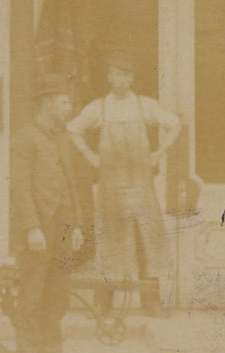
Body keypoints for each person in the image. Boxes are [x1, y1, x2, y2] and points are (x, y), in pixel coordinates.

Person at [68, 50, 180, 315]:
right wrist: (91, 157)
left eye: (126, 75)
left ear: (132, 78)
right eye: (117, 74)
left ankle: (151, 302)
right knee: (110, 242)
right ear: (109, 77)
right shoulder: (99, 107)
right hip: (111, 188)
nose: (121, 80)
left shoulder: (145, 105)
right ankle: (104, 303)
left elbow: (175, 125)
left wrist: (158, 153)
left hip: (141, 187)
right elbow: (73, 129)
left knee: (146, 240)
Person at [12, 74, 90, 353]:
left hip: (64, 226)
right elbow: (19, 188)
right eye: (64, 102)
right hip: (39, 227)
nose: (69, 108)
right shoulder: (24, 139)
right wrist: (31, 228)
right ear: (47, 104)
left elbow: (71, 184)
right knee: (32, 297)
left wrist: (76, 225)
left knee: (58, 296)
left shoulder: (63, 138)